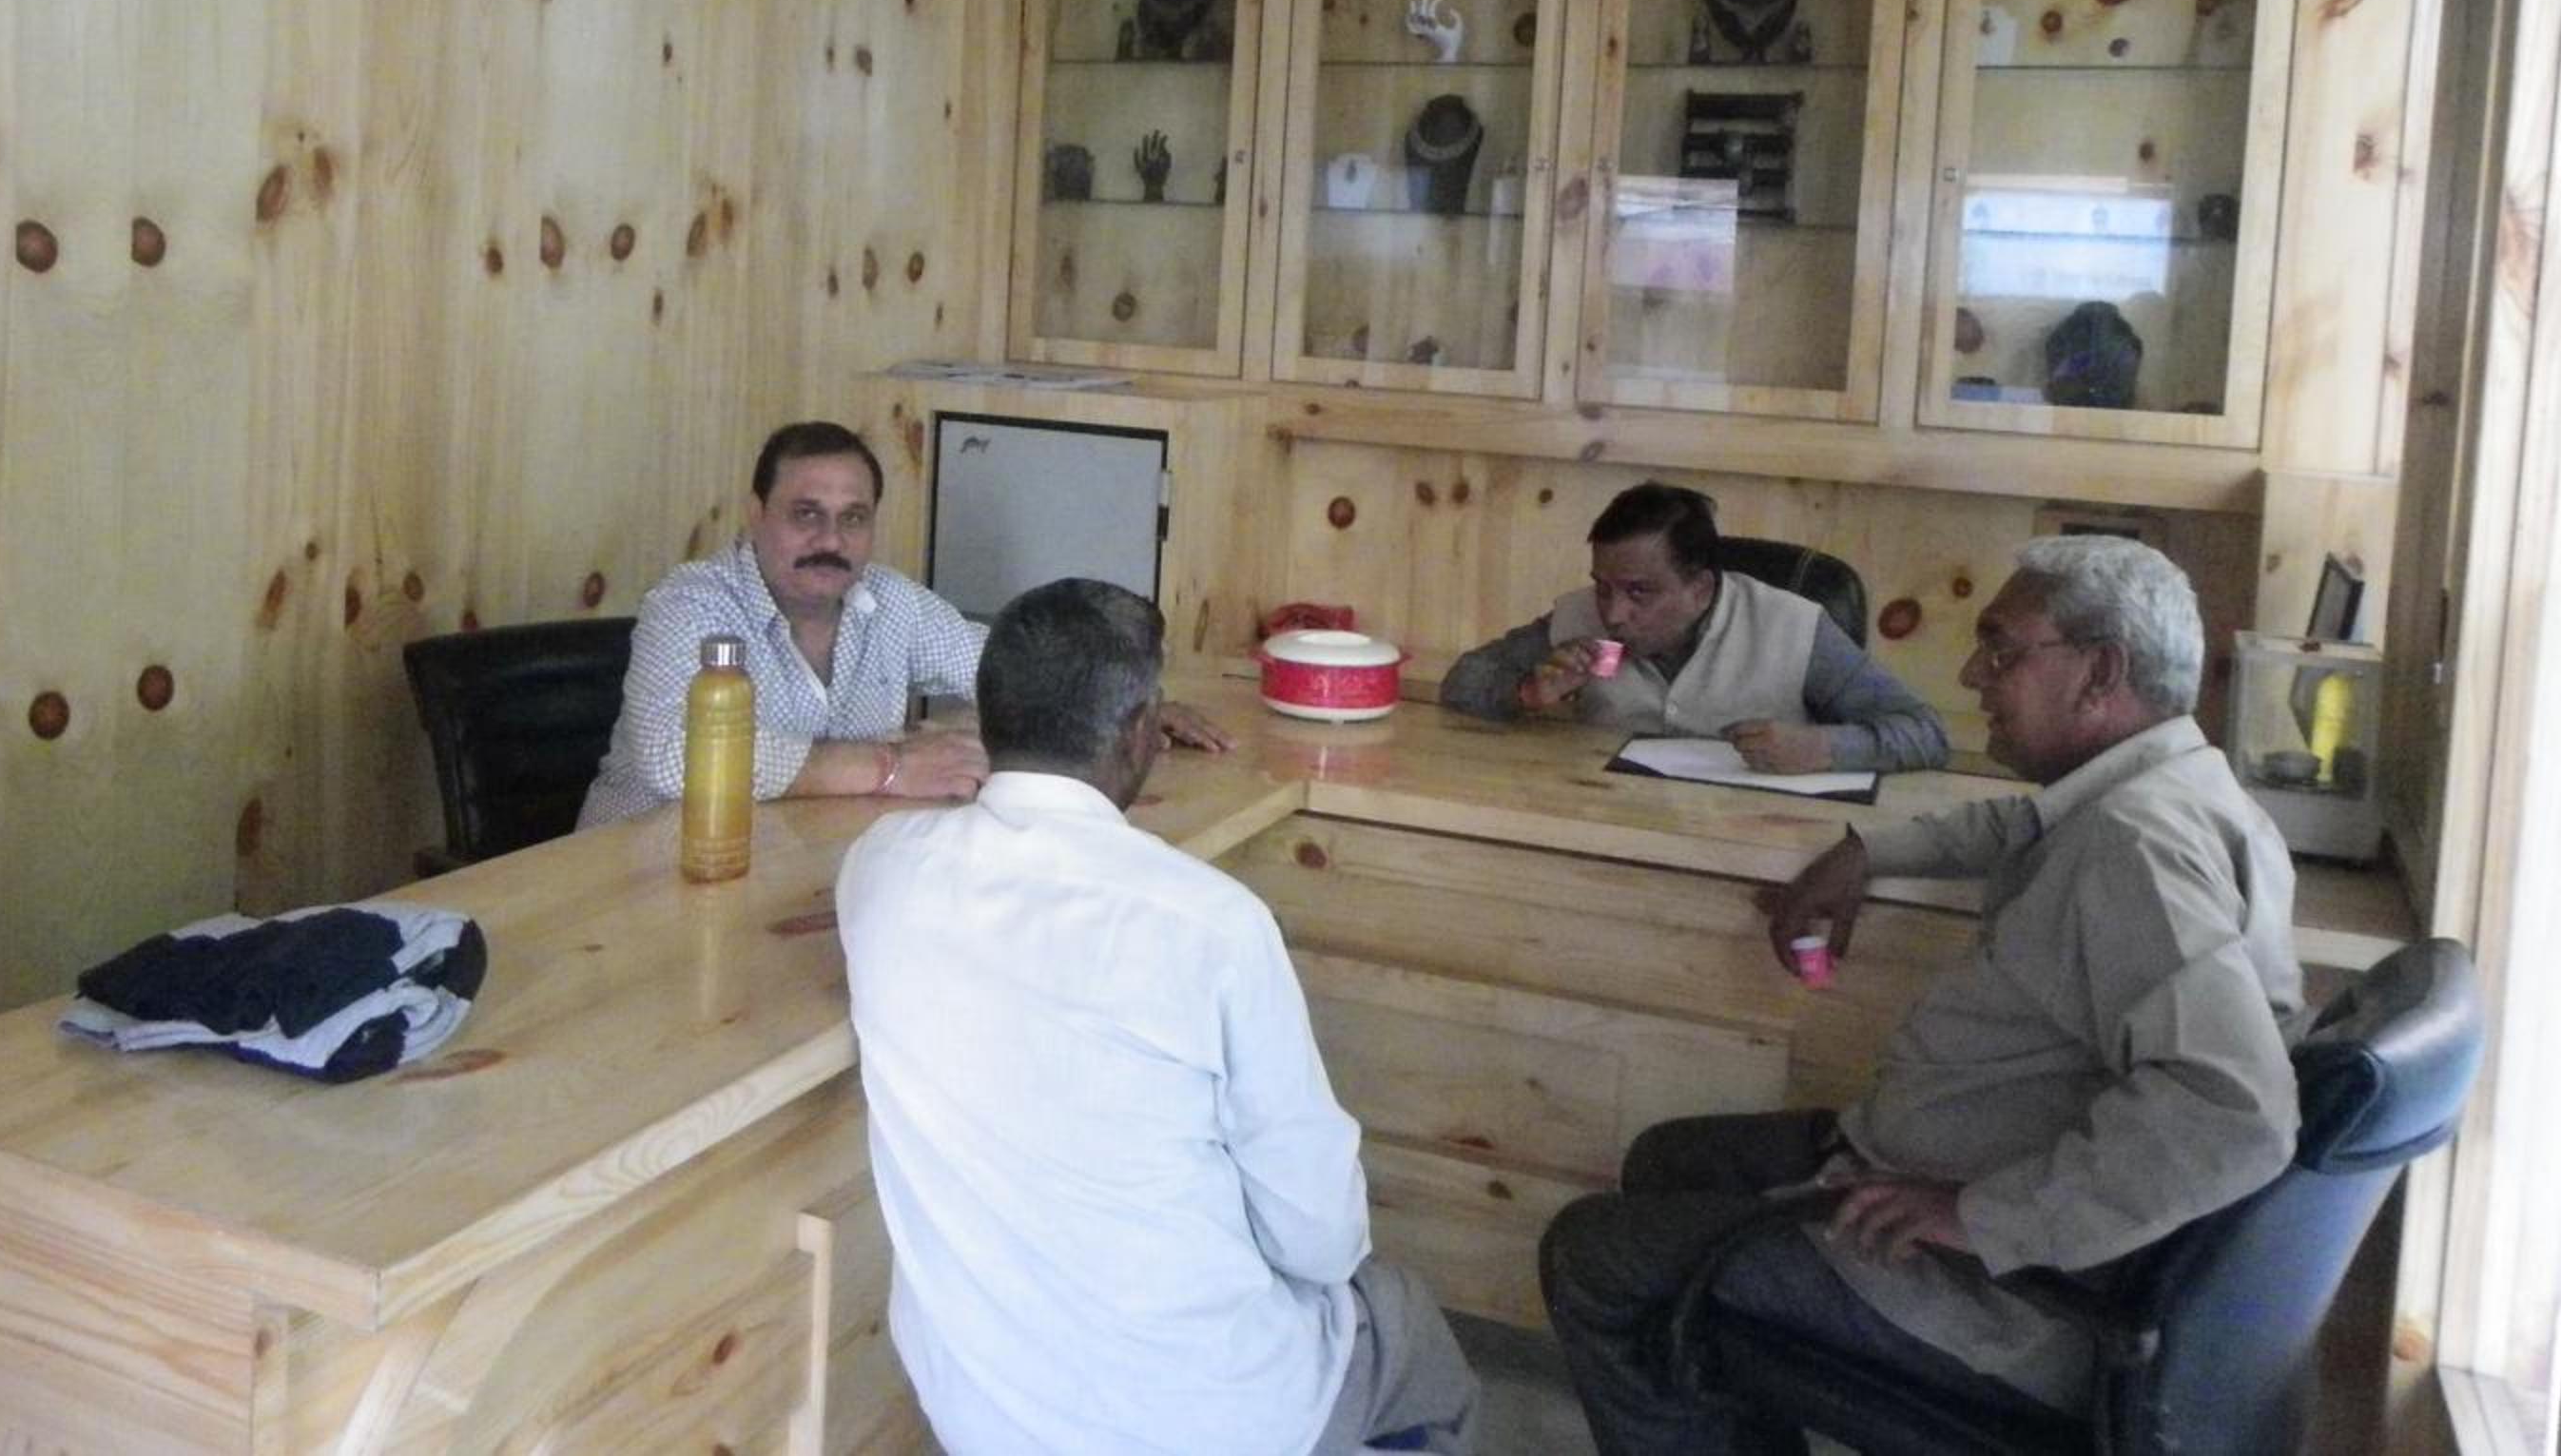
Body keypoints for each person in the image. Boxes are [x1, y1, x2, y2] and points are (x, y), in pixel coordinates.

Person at [1538, 536, 2303, 1453]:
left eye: (2002, 650)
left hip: (1993, 1291)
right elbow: (2016, 825)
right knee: (1670, 1159)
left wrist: (1976, 1217)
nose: (1974, 674)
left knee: (1593, 1253)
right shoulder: (2172, 790)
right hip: (1954, 1183)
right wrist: (1867, 852)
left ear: (2101, 672)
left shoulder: (2138, 854)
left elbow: (2235, 1114)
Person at [838, 579, 1479, 1456]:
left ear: (988, 720)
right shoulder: (1210, 923)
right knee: (1407, 1325)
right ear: (1141, 729)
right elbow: (1322, 1241)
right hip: (1215, 1418)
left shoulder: (879, 870)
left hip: (982, 1423)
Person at [578, 420, 1228, 825]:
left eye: (853, 518)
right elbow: (677, 756)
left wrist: (1120, 701)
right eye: (806, 514)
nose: (831, 540)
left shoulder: (888, 602)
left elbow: (1011, 670)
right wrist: (889, 768)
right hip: (633, 880)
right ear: (756, 514)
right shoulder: (690, 604)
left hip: (791, 866)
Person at [1438, 480, 1949, 774]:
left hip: (1757, 844)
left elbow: (1925, 733)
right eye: (1603, 586)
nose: (1613, 613)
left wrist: (1824, 748)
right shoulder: (1579, 618)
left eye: (1640, 592)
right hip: (1608, 826)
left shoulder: (1793, 627)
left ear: (1701, 589)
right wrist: (1526, 692)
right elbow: (1463, 680)